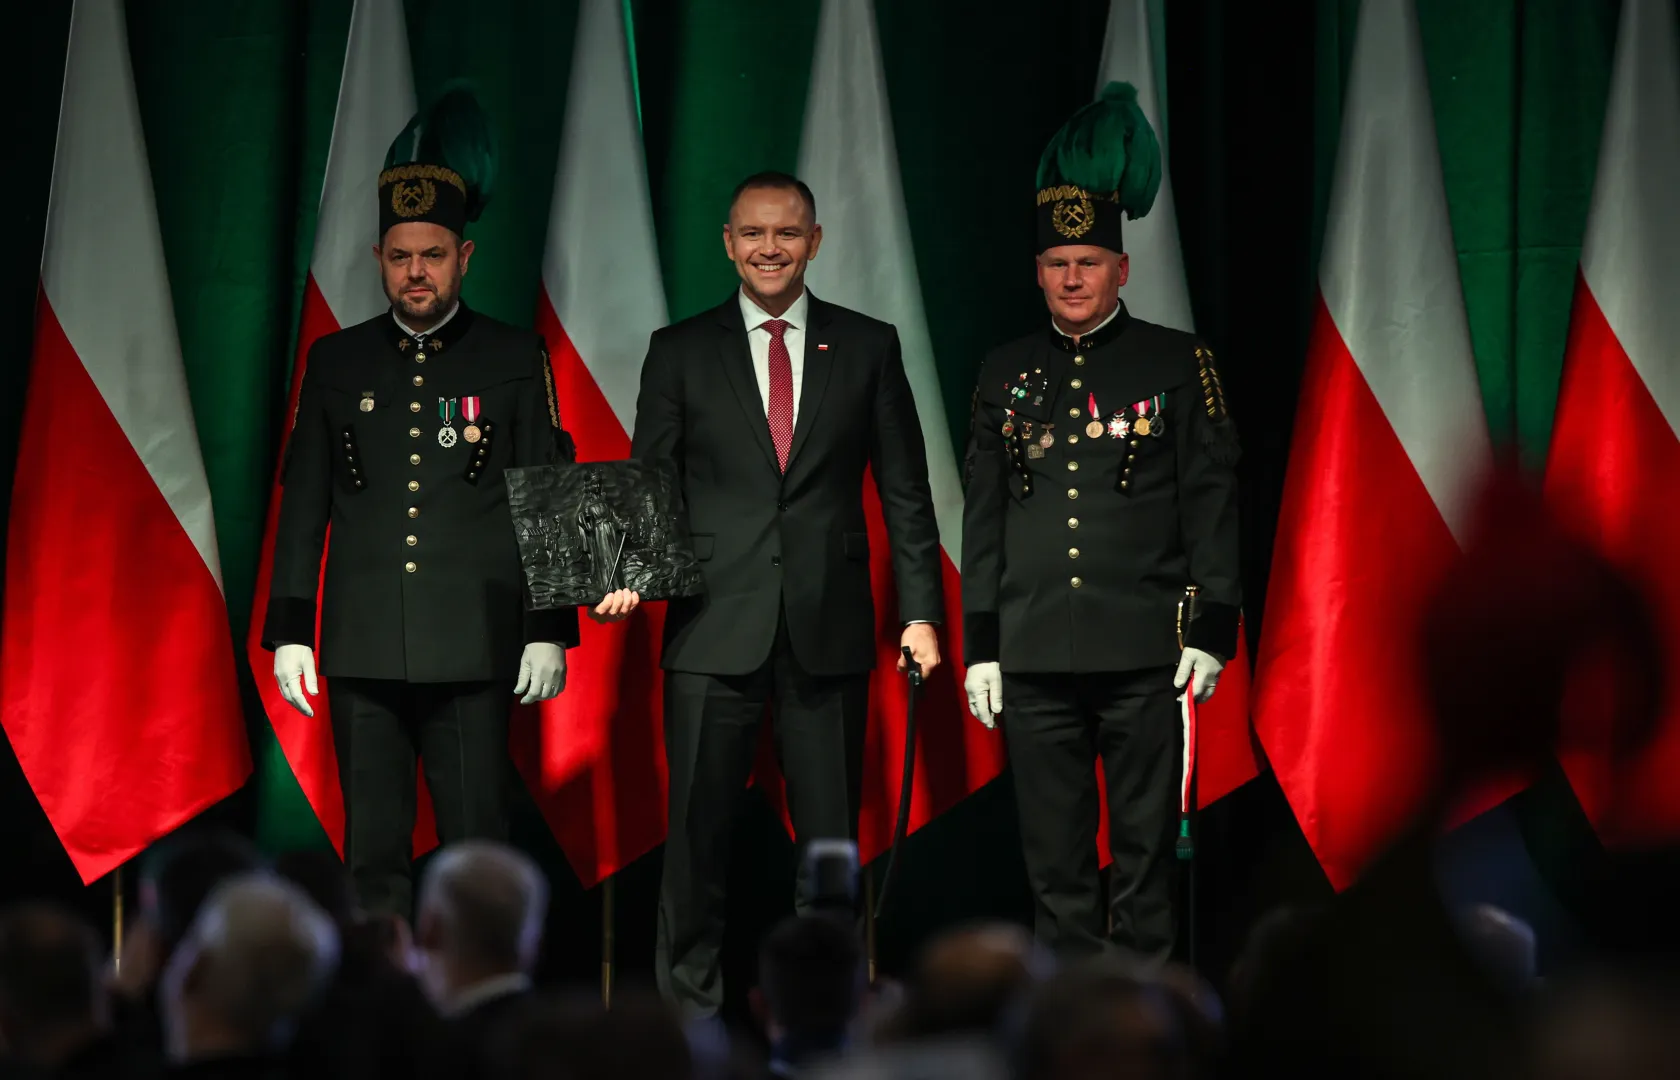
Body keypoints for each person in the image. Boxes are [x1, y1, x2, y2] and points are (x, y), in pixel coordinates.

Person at [260, 85, 623, 917]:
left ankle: (482, 1017)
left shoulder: (512, 354)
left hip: (475, 644)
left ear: (465, 257)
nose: (415, 272)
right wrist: (288, 631)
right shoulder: (336, 361)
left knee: (476, 856)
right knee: (373, 858)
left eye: (432, 254)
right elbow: (304, 501)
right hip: (360, 644)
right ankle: (385, 1015)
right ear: (380, 259)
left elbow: (545, 491)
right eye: (399, 256)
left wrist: (547, 632)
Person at [623, 171, 945, 1019]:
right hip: (709, 626)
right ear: (727, 243)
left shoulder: (868, 344)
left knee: (830, 849)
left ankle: (826, 1019)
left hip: (826, 627)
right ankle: (688, 1024)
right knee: (695, 845)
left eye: (788, 233)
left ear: (816, 241)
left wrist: (920, 612)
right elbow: (649, 478)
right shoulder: (679, 348)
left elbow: (907, 492)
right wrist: (619, 567)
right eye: (754, 234)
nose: (771, 248)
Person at [960, 83, 1240, 962]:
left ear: (1122, 268)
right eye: (1057, 264)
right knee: (1055, 862)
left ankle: (1148, 1019)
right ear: (1036, 271)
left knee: (1146, 858)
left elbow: (1213, 498)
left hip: (1147, 650)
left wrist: (1215, 628)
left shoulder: (1178, 362)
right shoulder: (1003, 371)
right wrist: (981, 643)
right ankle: (1069, 1025)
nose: (1072, 278)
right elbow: (986, 515)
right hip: (1036, 654)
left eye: (1088, 261)